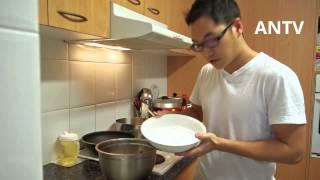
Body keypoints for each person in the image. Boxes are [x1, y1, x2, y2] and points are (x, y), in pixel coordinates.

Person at [172, 0, 307, 179]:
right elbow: (197, 112)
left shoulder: (277, 76)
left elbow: (294, 152)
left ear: (237, 26)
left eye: (211, 40)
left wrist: (219, 144)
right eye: (198, 45)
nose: (206, 53)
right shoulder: (207, 72)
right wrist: (166, 122)